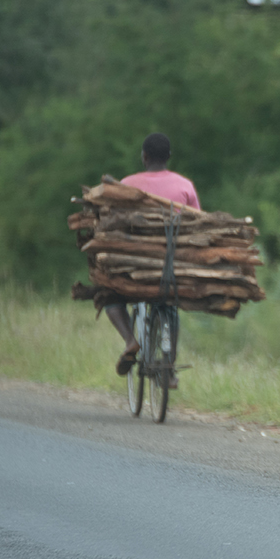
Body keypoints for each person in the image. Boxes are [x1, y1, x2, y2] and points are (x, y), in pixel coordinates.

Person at [106, 132, 200, 378]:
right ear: (169, 157)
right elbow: (196, 225)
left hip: (134, 269)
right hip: (172, 268)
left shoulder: (126, 185)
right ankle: (168, 366)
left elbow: (112, 224)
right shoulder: (185, 186)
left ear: (144, 157)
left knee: (110, 297)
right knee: (168, 306)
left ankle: (130, 341)